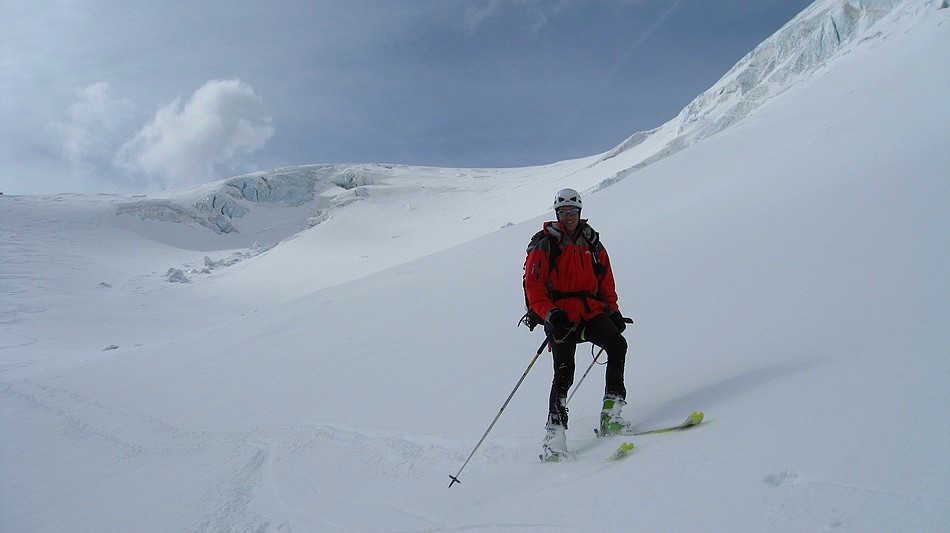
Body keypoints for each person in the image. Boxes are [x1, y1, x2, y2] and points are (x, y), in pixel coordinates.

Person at [524, 188, 631, 460]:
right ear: (557, 214)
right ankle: (554, 438)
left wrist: (613, 311)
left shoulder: (593, 243)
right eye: (563, 212)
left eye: (572, 211)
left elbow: (606, 281)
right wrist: (549, 313)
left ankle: (611, 414)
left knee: (617, 344)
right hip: (560, 316)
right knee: (564, 372)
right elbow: (535, 288)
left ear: (579, 212)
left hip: (590, 311)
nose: (568, 216)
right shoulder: (546, 244)